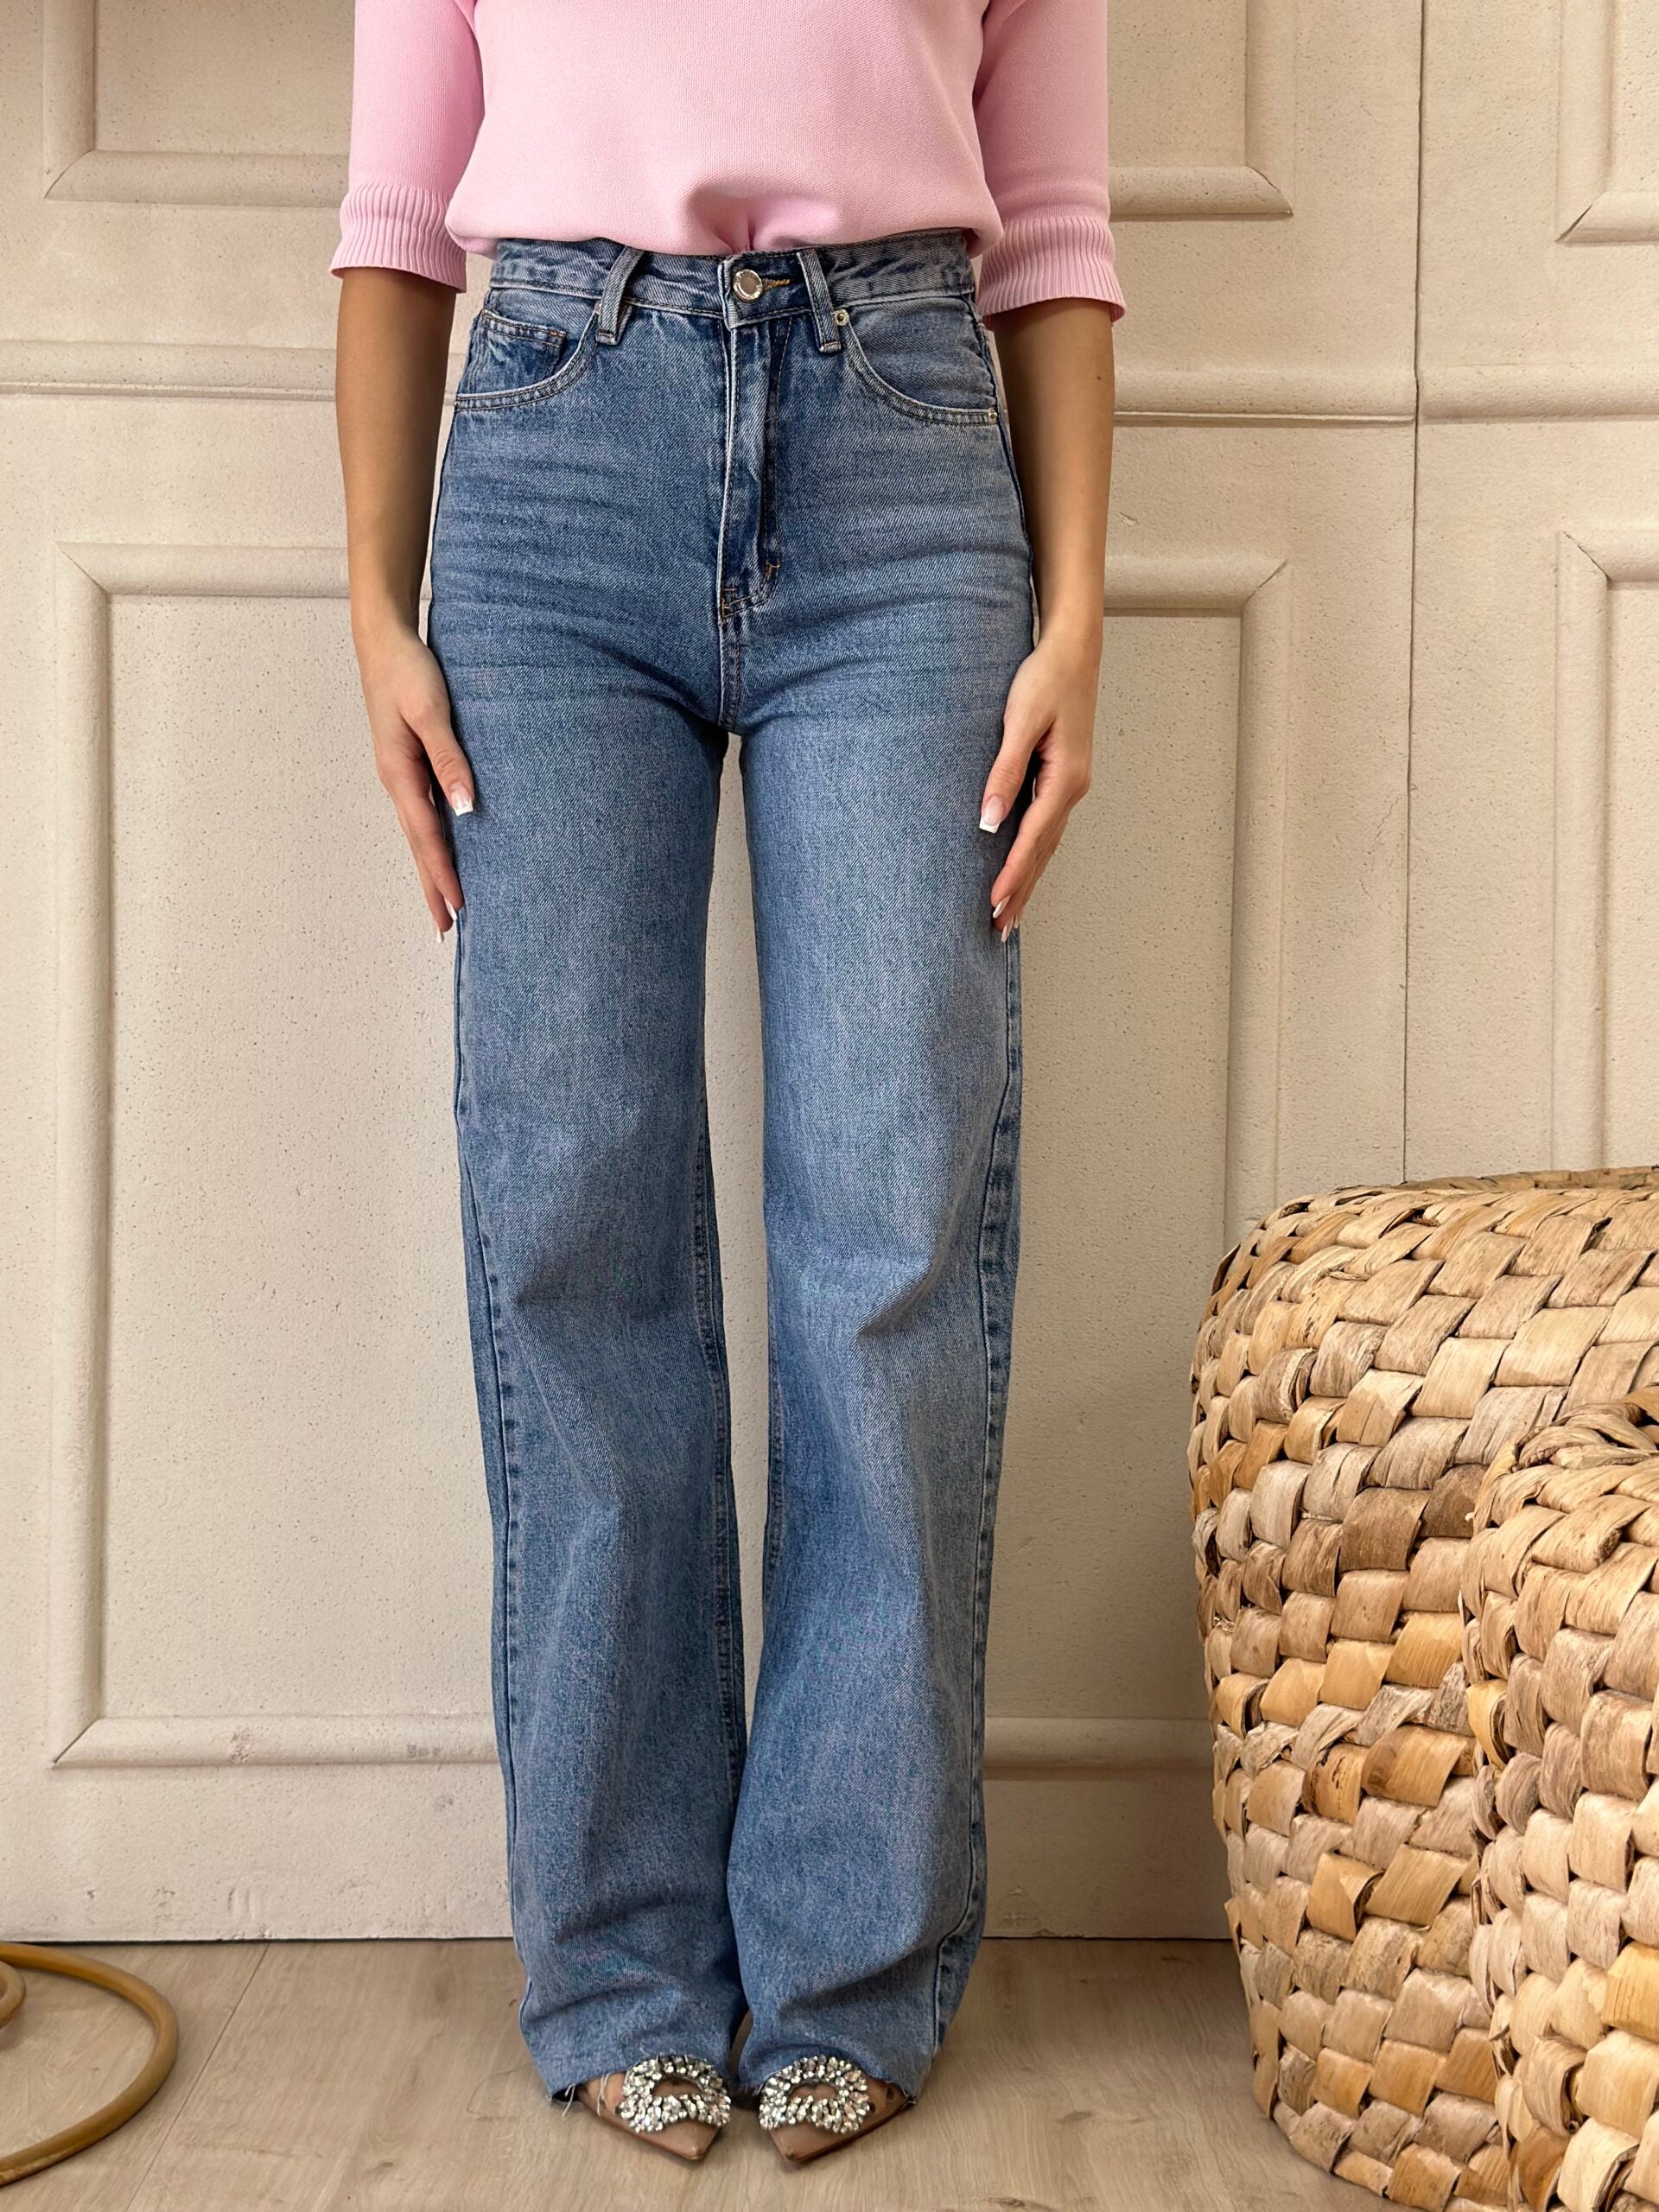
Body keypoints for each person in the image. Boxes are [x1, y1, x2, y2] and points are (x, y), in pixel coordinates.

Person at [331, 0, 1122, 2168]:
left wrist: (1078, 614)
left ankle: (852, 1960)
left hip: (907, 451)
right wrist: (374, 609)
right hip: (552, 452)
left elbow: (1056, 225)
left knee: (892, 1227)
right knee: (572, 1222)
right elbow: (396, 213)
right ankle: (620, 1959)